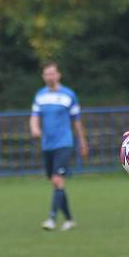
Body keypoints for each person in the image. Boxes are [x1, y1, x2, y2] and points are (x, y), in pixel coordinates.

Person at [29, 61, 89, 231]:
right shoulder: (40, 95)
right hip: (47, 145)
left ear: (58, 75)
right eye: (47, 74)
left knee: (57, 179)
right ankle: (69, 219)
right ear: (43, 76)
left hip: (64, 143)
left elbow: (76, 122)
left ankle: (52, 219)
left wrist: (82, 142)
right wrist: (34, 128)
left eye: (52, 73)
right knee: (57, 183)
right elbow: (34, 116)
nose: (50, 76)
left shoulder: (68, 95)